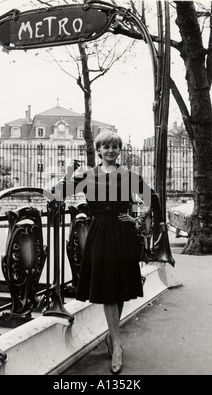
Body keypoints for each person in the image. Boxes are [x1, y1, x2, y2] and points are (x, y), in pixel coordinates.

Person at [54, 131, 151, 375]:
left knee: (117, 288)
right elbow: (57, 193)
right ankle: (116, 344)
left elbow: (151, 197)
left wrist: (137, 219)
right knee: (109, 288)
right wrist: (70, 173)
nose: (110, 150)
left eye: (115, 147)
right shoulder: (87, 175)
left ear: (119, 150)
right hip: (99, 232)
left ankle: (111, 337)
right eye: (106, 147)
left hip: (123, 232)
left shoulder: (128, 175)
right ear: (98, 150)